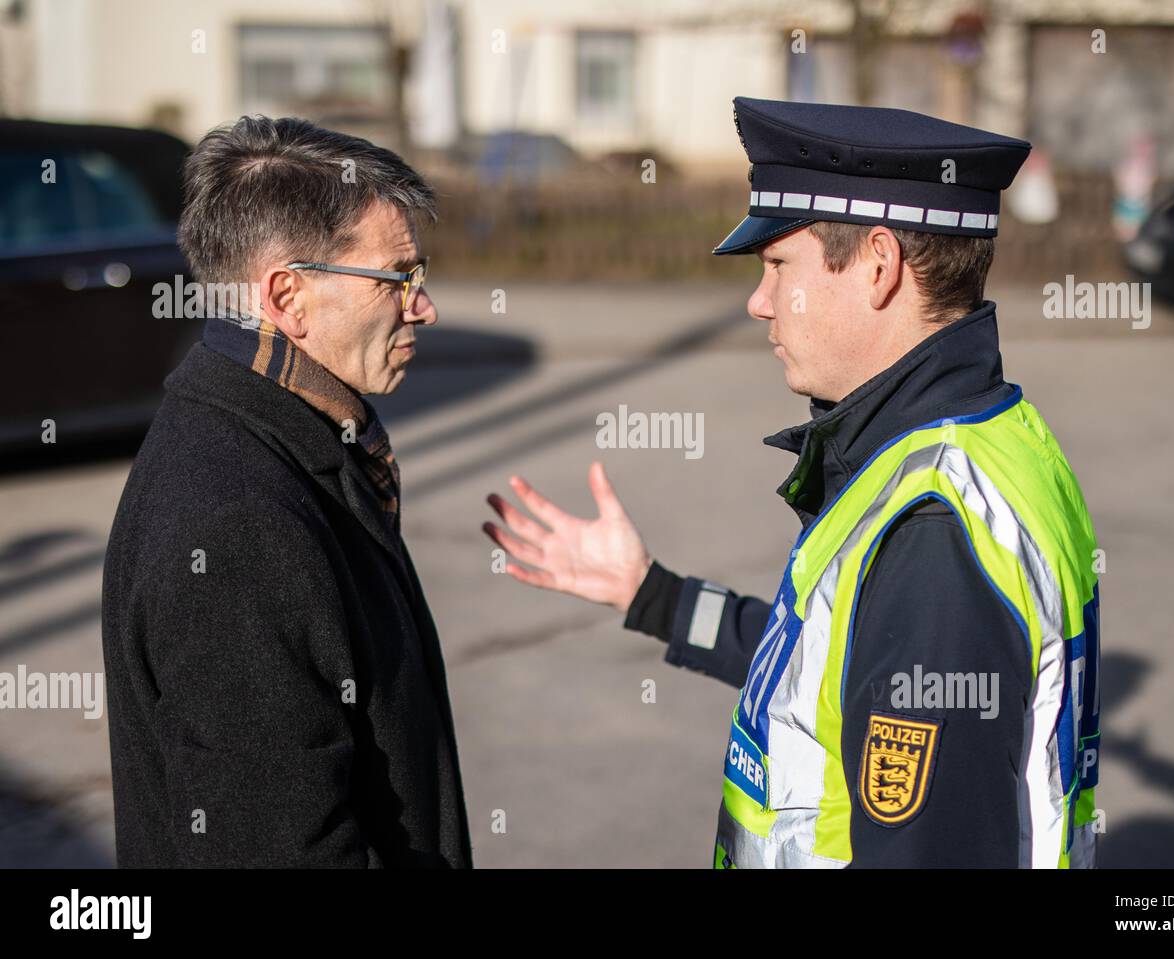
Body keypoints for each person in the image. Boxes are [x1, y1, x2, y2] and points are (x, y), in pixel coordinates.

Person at [483, 97, 1101, 868]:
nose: (758, 301)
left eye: (779, 265)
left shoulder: (932, 534)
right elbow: (831, 670)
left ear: (879, 265)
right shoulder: (988, 437)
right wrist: (655, 596)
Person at [102, 117, 471, 867]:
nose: (423, 306)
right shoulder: (239, 524)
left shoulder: (280, 438)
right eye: (400, 277)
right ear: (287, 296)